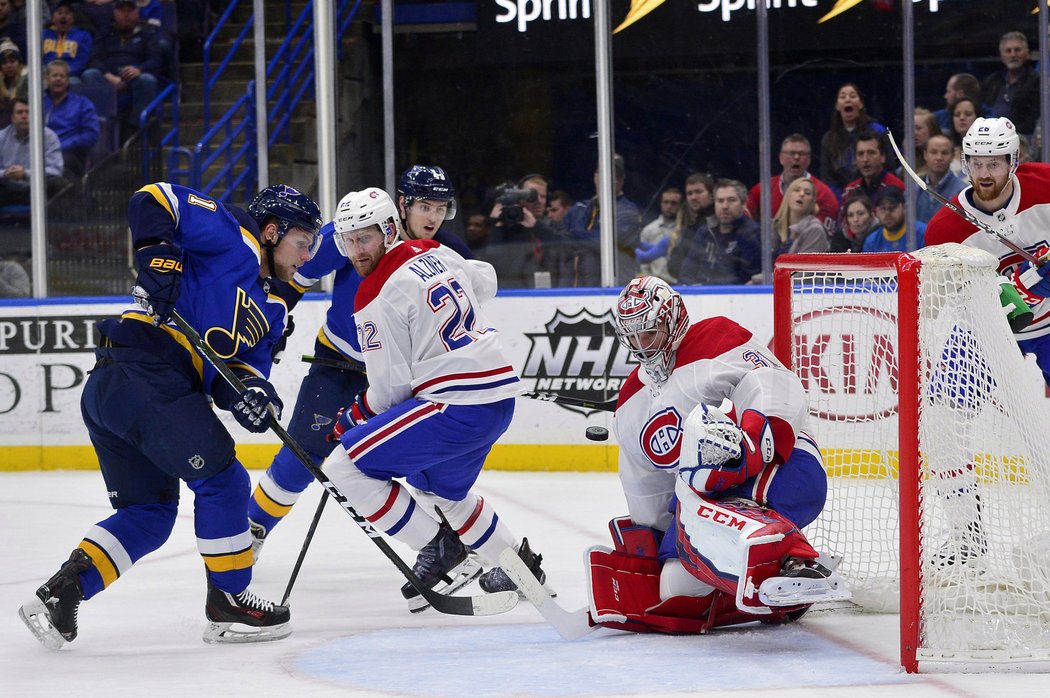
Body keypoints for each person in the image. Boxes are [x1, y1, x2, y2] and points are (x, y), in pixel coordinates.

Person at [18, 182, 323, 649]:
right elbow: (153, 198)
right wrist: (159, 256)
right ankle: (229, 600)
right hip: (144, 371)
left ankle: (62, 595)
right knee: (224, 480)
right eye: (302, 243)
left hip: (125, 390)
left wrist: (257, 398)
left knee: (149, 514)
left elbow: (239, 374)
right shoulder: (232, 234)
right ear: (271, 230)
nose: (307, 258)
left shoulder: (272, 309)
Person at [247, 166, 478, 581]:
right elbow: (294, 273)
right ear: (403, 205)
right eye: (425, 206)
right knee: (304, 454)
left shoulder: (446, 248)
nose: (433, 217)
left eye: (442, 208)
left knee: (423, 459)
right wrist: (272, 320)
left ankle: (453, 546)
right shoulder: (356, 228)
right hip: (338, 362)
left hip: (401, 374)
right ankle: (251, 532)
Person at [319, 186, 544, 611]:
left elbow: (390, 392)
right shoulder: (434, 250)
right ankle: (521, 568)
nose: (355, 251)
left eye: (364, 237)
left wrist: (354, 415)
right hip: (496, 400)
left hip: (453, 405)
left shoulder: (373, 294)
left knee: (344, 468)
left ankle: (440, 548)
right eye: (347, 240)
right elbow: (486, 281)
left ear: (388, 230)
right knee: (441, 490)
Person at [584, 275, 843, 635]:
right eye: (635, 337)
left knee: (716, 488)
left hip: (781, 465)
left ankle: (797, 560)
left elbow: (776, 384)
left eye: (650, 333)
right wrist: (651, 538)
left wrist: (752, 444)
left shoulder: (717, 338)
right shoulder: (630, 404)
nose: (643, 346)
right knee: (675, 585)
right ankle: (769, 595)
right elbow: (646, 483)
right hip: (707, 497)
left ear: (671, 322)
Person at [926, 116, 1050, 382]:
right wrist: (1024, 285)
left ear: (1012, 161)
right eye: (976, 163)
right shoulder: (944, 230)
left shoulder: (1045, 184)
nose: (983, 174)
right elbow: (952, 302)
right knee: (951, 406)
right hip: (986, 334)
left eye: (993, 164)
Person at [82, 0, 164, 134]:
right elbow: (94, 57)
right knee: (89, 74)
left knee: (148, 80)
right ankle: (100, 125)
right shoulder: (105, 32)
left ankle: (134, 128)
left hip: (134, 76)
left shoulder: (147, 33)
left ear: (137, 13)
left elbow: (155, 58)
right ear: (114, 13)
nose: (126, 15)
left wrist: (139, 69)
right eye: (122, 11)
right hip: (108, 76)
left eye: (130, 11)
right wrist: (108, 75)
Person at [564, 153, 643, 286]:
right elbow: (561, 241)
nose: (609, 178)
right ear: (595, 176)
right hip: (578, 288)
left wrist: (576, 235)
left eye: (615, 176)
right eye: (603, 172)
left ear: (622, 181)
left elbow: (608, 243)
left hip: (616, 289)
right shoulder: (579, 208)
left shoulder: (629, 211)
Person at [746, 134, 839, 235]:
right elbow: (744, 219)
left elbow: (823, 237)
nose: (796, 157)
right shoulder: (763, 189)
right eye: (791, 153)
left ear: (809, 160)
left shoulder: (824, 194)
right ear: (781, 158)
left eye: (802, 154)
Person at [677, 178, 760, 286]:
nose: (725, 206)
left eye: (731, 200)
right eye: (720, 201)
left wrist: (705, 287)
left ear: (744, 204)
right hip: (700, 298)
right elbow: (687, 272)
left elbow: (745, 278)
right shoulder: (704, 232)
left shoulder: (752, 233)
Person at [820, 83, 888, 194]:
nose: (847, 100)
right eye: (843, 97)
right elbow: (827, 178)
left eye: (852, 96)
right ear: (837, 106)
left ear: (861, 104)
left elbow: (889, 168)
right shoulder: (828, 139)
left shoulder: (877, 131)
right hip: (842, 201)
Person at [0, 97, 68, 205]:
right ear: (12, 118)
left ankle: (56, 222)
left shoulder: (48, 136)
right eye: (19, 112)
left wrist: (26, 173)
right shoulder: (2, 137)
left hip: (36, 189)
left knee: (59, 184)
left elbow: (56, 170)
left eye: (28, 112)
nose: (24, 116)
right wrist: (6, 173)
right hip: (8, 188)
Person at [43, 59, 99, 178]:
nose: (58, 79)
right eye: (54, 75)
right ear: (47, 79)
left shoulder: (83, 104)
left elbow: (91, 135)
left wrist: (61, 146)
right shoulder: (38, 104)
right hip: (41, 154)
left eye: (62, 76)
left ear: (68, 81)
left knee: (62, 163)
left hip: (70, 155)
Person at [980, 32, 1039, 138]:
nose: (1013, 54)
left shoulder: (1037, 82)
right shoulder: (992, 81)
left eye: (1017, 50)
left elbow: (1032, 121)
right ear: (1002, 56)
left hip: (1021, 139)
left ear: (1027, 54)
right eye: (1008, 51)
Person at [766, 177, 829, 270]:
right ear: (788, 195)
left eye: (807, 193)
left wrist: (761, 279)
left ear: (812, 202)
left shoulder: (815, 230)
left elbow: (801, 272)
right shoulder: (774, 226)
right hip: (771, 282)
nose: (802, 194)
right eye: (797, 190)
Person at [665, 172, 715, 282]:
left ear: (712, 195)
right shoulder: (690, 229)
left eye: (698, 192)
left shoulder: (720, 225)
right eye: (690, 193)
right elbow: (673, 267)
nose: (693, 197)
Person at [840, 130, 904, 208]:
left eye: (871, 153)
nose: (865, 159)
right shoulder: (849, 191)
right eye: (860, 154)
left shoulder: (897, 187)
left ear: (883, 157)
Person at [915, 133, 965, 225]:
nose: (939, 158)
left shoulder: (962, 192)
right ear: (925, 155)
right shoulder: (914, 188)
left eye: (944, 153)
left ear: (952, 156)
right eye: (934, 152)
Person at [634, 186, 680, 282]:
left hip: (680, 284)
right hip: (655, 284)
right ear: (661, 204)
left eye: (673, 203)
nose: (668, 206)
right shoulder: (649, 230)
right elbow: (643, 265)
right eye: (665, 202)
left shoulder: (683, 231)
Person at [862, 186, 924, 253]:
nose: (887, 213)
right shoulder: (872, 241)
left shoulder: (921, 233)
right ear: (876, 211)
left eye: (892, 207)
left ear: (904, 207)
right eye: (882, 208)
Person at [42, 1, 93, 81]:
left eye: (67, 13)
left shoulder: (83, 36)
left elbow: (82, 61)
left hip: (71, 75)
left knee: (73, 81)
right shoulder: (43, 35)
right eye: (59, 12)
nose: (63, 16)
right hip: (47, 75)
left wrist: (64, 72)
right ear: (52, 18)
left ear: (73, 18)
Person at [948, 96, 982, 177]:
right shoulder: (947, 151)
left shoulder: (989, 151)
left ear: (978, 118)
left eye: (968, 114)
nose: (962, 118)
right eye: (957, 115)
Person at [909, 107, 942, 178]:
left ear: (931, 130)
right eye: (912, 128)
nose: (914, 133)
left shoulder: (942, 161)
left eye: (919, 128)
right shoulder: (907, 163)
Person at [0, 38, 26, 127]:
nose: (9, 66)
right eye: (4, 62)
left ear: (19, 63)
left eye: (12, 61)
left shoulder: (27, 82)